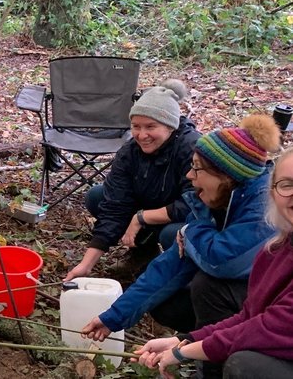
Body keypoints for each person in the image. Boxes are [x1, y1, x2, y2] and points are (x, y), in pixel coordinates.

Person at [82, 115, 280, 361]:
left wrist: (188, 232)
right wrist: (112, 318)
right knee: (169, 303)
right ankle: (202, 347)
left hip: (277, 311)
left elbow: (224, 260)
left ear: (226, 176)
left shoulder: (264, 205)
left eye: (196, 167)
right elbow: (171, 265)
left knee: (208, 287)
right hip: (248, 296)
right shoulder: (214, 201)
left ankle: (221, 363)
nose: (189, 175)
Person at [134, 147, 293, 379]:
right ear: (272, 192)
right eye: (287, 185)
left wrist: (183, 352)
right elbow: (250, 315)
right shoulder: (275, 251)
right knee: (203, 288)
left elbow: (271, 328)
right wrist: (184, 339)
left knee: (247, 365)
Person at [64, 82, 201, 282]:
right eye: (136, 126)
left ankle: (183, 275)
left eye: (150, 127)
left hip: (182, 216)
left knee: (172, 233)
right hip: (150, 206)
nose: (141, 135)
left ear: (170, 125)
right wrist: (86, 265)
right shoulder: (129, 152)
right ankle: (143, 253)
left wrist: (141, 218)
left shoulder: (191, 148)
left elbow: (196, 204)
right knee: (98, 196)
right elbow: (115, 206)